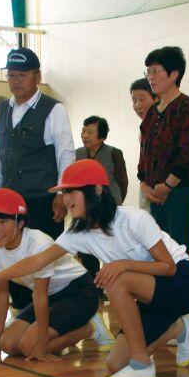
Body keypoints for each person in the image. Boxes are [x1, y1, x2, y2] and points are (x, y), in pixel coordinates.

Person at [0, 160, 189, 377]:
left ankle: (142, 365)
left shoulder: (133, 218)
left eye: (72, 192)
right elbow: (37, 261)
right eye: (64, 193)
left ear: (96, 190)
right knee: (115, 364)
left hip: (180, 282)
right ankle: (179, 329)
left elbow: (168, 267)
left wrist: (123, 264)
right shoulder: (78, 232)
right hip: (149, 297)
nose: (65, 200)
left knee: (116, 280)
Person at [0, 187, 114, 361]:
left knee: (29, 347)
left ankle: (91, 328)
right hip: (51, 297)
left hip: (78, 293)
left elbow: (40, 295)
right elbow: (1, 294)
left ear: (20, 223)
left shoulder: (38, 243)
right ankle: (62, 328)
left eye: (2, 222)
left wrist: (41, 345)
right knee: (8, 344)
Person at [0, 47, 75, 240]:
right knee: (12, 254)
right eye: (11, 75)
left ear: (37, 77)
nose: (16, 81)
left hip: (42, 201)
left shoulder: (53, 109)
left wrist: (62, 193)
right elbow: (0, 154)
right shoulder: (3, 109)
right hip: (9, 200)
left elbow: (66, 154)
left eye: (22, 75)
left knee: (43, 258)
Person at [138, 46, 189, 265]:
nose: (150, 77)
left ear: (174, 74)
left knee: (180, 250)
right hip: (154, 194)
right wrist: (144, 184)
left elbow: (188, 154)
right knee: (158, 253)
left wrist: (167, 186)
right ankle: (164, 300)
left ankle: (187, 300)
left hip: (182, 191)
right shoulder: (152, 112)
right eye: (148, 71)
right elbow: (145, 152)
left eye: (156, 71)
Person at [76, 115, 128, 284]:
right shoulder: (77, 154)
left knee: (110, 245)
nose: (85, 135)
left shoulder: (114, 153)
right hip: (85, 208)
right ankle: (94, 284)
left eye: (90, 132)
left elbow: (122, 181)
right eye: (83, 131)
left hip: (108, 207)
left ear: (102, 136)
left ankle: (111, 283)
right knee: (86, 247)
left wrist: (115, 202)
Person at [130, 78, 157, 212]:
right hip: (147, 188)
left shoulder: (164, 125)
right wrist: (143, 183)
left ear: (156, 98)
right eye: (134, 101)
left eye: (142, 99)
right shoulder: (143, 130)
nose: (137, 105)